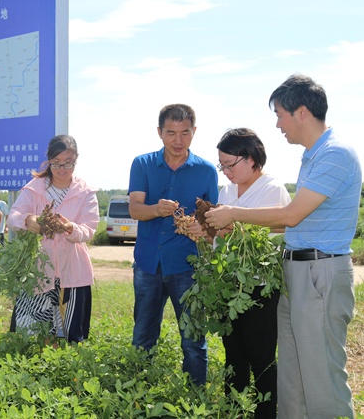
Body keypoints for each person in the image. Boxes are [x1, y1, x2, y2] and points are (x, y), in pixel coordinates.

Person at [205, 74, 360, 418]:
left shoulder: (335, 154)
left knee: (321, 373)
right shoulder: (312, 156)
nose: (277, 125)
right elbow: (294, 221)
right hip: (298, 270)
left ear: (301, 111)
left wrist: (234, 213)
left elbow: (292, 215)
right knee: (293, 375)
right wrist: (230, 224)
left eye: (279, 114)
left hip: (320, 271)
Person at [128, 104, 218, 386]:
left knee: (193, 339)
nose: (178, 141)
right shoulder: (142, 164)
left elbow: (213, 219)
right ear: (159, 132)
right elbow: (135, 209)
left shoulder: (206, 170)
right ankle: (138, 390)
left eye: (185, 133)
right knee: (143, 334)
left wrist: (202, 228)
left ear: (194, 132)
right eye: (171, 133)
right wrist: (156, 209)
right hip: (148, 264)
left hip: (187, 265)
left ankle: (195, 394)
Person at [213, 128, 291, 418]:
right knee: (234, 355)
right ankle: (234, 410)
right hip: (229, 285)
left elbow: (275, 233)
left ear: (251, 159)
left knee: (261, 357)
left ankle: (265, 413)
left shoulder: (272, 189)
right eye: (221, 165)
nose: (225, 172)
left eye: (229, 165)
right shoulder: (226, 191)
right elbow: (220, 238)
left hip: (260, 286)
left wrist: (228, 227)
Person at [8, 134, 99, 343]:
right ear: (48, 160)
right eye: (56, 162)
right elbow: (13, 217)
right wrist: (28, 220)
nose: (62, 168)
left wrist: (70, 228)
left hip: (73, 269)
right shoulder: (35, 188)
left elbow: (89, 228)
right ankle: (40, 358)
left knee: (70, 334)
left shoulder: (85, 192)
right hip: (39, 267)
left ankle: (64, 361)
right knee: (35, 331)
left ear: (76, 159)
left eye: (68, 162)